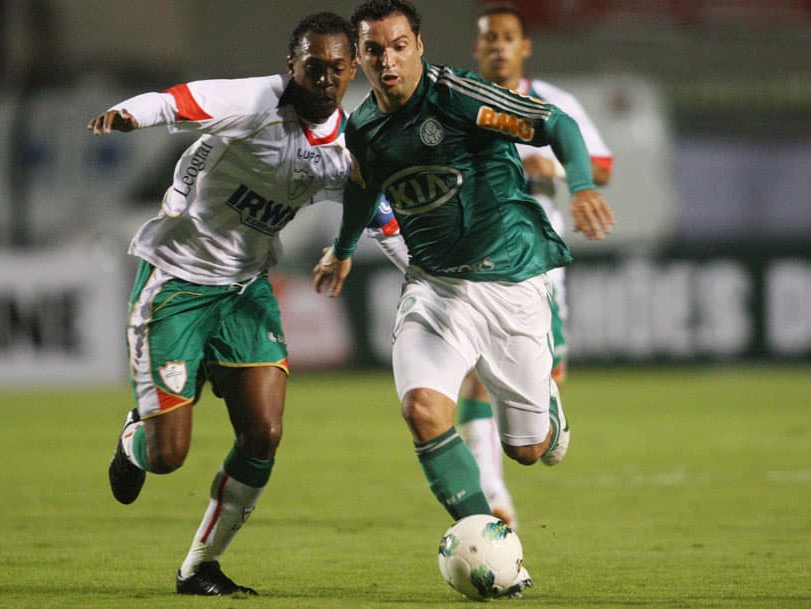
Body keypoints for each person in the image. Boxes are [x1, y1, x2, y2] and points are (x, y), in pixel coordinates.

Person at [313, 0, 613, 594]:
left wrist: (579, 186)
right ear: (360, 58)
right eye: (373, 50)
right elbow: (361, 186)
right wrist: (343, 248)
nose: (387, 60)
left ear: (419, 45)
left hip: (512, 281)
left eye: (398, 45)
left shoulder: (460, 96)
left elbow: (558, 126)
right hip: (436, 289)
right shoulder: (365, 127)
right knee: (423, 411)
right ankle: (495, 554)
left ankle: (546, 411)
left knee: (530, 452)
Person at [87, 12, 358, 596]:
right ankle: (137, 437)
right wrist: (130, 114)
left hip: (243, 289)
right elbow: (180, 102)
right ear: (293, 66)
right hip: (178, 282)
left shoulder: (347, 140)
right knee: (168, 456)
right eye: (314, 67)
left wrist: (387, 255)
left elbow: (374, 202)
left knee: (264, 431)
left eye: (337, 68)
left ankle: (200, 566)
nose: (325, 79)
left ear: (353, 69)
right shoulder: (256, 100)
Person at [455, 5, 615, 528]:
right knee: (479, 379)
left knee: (542, 384)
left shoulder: (552, 102)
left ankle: (544, 399)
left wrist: (562, 169)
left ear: (525, 47)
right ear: (477, 49)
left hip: (537, 262)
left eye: (508, 38)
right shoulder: (457, 101)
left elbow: (603, 164)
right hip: (472, 258)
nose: (498, 46)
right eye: (489, 39)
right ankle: (492, 494)